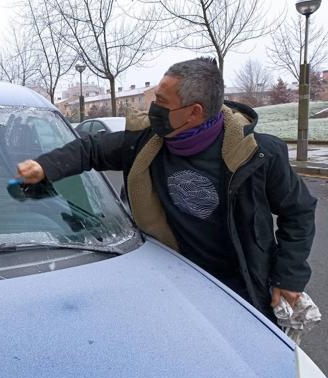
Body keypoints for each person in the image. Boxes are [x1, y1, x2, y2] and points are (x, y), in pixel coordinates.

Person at [17, 57, 317, 319]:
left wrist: (288, 277)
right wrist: (45, 166)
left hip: (242, 288)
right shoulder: (147, 142)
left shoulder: (260, 154)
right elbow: (91, 150)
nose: (153, 108)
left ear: (194, 112)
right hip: (172, 280)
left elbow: (299, 212)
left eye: (162, 102)